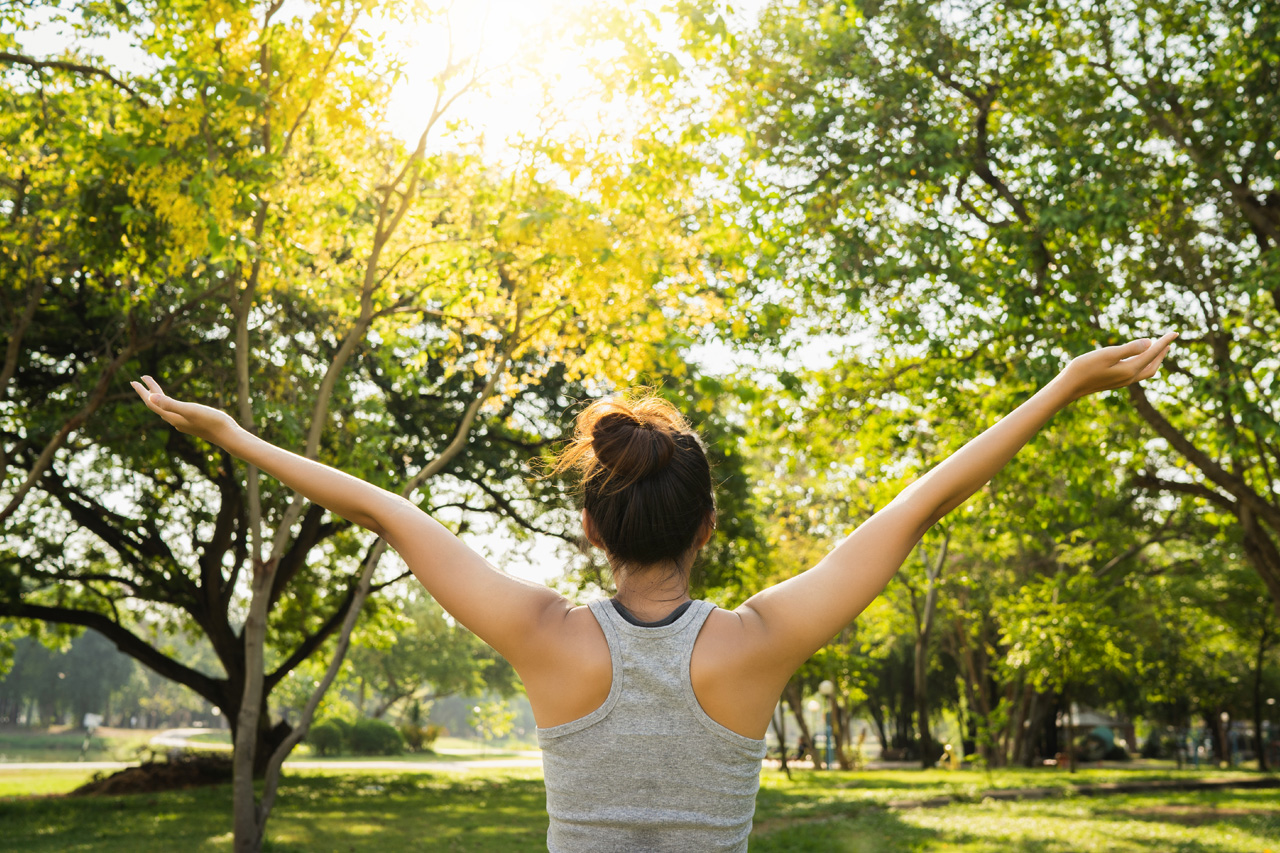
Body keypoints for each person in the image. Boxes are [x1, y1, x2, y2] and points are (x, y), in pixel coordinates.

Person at [131, 331, 1175, 851]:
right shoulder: (758, 641)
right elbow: (918, 505)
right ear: (708, 528)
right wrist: (1065, 382)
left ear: (589, 527)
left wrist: (232, 434)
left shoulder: (542, 636)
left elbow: (389, 513)